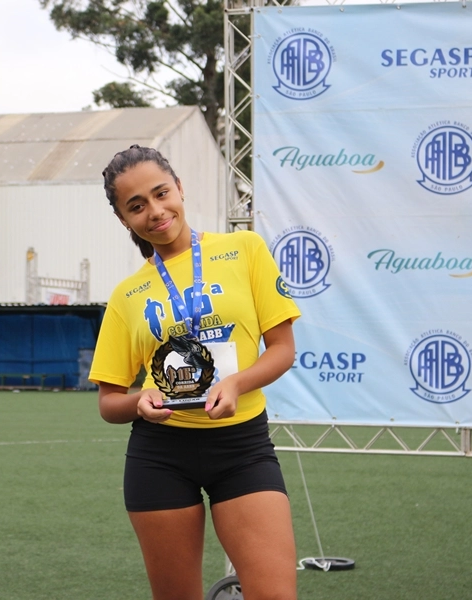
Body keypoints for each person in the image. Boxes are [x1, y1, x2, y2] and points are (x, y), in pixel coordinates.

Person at [90, 145, 301, 600]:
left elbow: (282, 350)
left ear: (180, 188)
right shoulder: (127, 295)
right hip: (160, 456)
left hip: (242, 447)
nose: (155, 211)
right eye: (137, 206)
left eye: (161, 193)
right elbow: (109, 403)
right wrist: (139, 403)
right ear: (124, 220)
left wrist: (237, 382)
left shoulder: (244, 249)